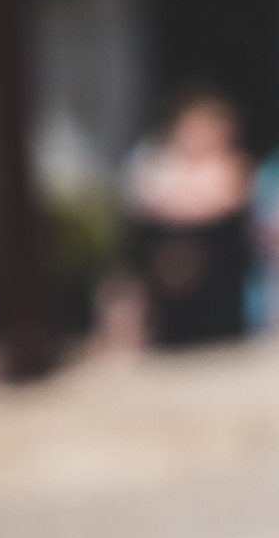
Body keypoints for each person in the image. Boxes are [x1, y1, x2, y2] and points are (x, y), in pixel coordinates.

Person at [109, 94, 255, 349]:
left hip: (220, 304)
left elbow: (216, 199)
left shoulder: (234, 168)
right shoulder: (156, 166)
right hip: (169, 309)